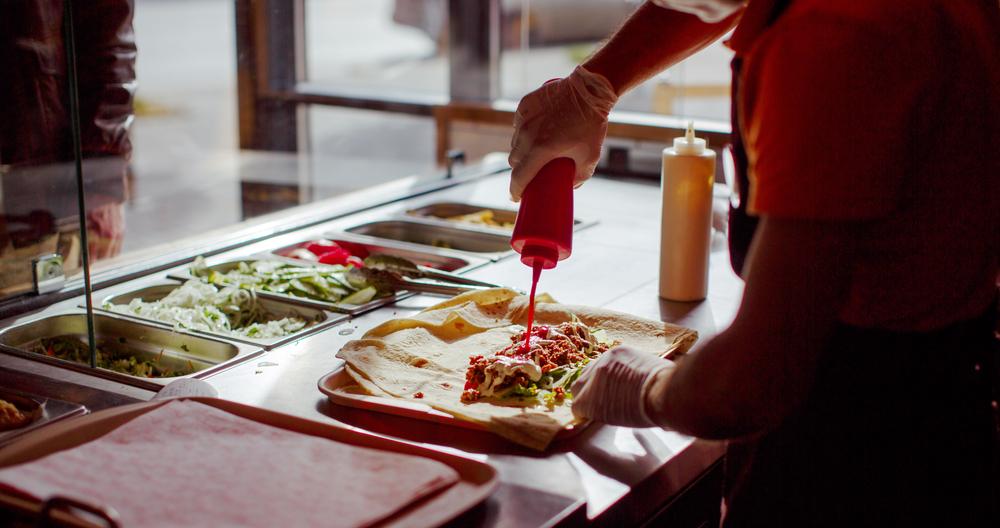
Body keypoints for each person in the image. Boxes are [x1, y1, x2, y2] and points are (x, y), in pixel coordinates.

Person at [508, 0, 1000, 525]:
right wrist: (596, 84)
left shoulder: (830, 38)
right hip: (955, 412)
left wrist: (648, 389)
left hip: (855, 451)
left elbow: (756, 380)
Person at [0, 0, 136, 282]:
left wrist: (100, 180)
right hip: (33, 180)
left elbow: (107, 33)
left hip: (33, 188)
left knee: (40, 317)